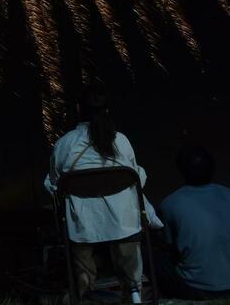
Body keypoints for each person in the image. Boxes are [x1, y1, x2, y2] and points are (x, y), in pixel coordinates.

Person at [45, 85, 161, 302]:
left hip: (82, 225)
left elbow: (54, 184)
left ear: (79, 110)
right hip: (123, 221)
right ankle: (133, 290)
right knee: (131, 193)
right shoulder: (120, 141)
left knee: (81, 267)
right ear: (106, 111)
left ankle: (81, 288)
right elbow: (137, 177)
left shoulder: (64, 144)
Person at [156, 144, 230, 299]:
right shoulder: (227, 193)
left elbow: (170, 248)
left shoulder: (170, 203)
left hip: (196, 287)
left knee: (153, 252)